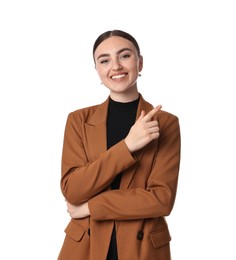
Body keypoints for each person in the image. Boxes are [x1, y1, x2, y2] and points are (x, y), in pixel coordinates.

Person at [58, 29, 181, 260]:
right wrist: (127, 146)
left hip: (143, 248)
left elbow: (161, 200)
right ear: (97, 70)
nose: (115, 66)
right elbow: (73, 190)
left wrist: (90, 208)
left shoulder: (165, 123)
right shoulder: (78, 120)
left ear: (140, 62)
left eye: (124, 56)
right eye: (104, 60)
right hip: (85, 245)